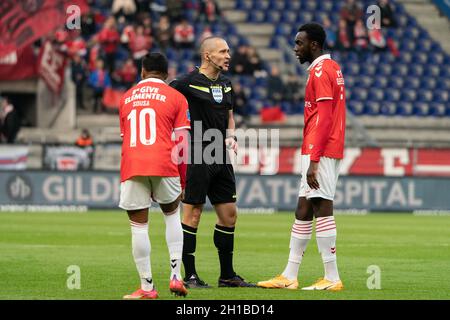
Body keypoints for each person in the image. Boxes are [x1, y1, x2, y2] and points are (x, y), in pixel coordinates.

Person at [257, 23, 346, 291]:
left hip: (322, 149)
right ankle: (289, 275)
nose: (295, 48)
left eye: (299, 43)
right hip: (317, 148)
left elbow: (326, 117)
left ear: (314, 45)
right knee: (304, 209)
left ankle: (332, 277)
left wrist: (315, 158)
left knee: (321, 205)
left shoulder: (321, 71)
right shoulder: (330, 68)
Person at [170, 36, 255, 288]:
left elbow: (229, 116)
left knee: (229, 215)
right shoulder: (184, 83)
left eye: (228, 50)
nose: (228, 55)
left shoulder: (227, 84)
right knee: (192, 214)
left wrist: (231, 137)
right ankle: (190, 275)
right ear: (207, 56)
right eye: (223, 51)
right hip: (197, 153)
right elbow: (165, 104)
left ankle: (227, 276)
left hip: (220, 154)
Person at [119, 53, 191, 299]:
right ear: (167, 73)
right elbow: (182, 142)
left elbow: (126, 140)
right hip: (165, 163)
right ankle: (175, 276)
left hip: (133, 165)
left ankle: (147, 287)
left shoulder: (126, 98)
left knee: (139, 227)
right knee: (172, 216)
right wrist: (183, 179)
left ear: (142, 72)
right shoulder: (176, 97)